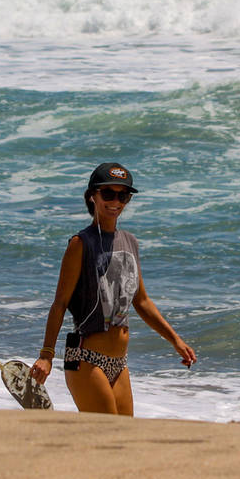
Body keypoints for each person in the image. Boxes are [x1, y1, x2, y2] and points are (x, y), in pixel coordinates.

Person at [30, 162, 197, 415]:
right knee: (106, 432)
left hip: (119, 362)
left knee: (122, 438)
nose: (116, 201)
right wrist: (46, 355)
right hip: (85, 358)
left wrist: (175, 340)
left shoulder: (130, 241)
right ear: (92, 197)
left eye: (123, 195)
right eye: (108, 193)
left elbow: (141, 301)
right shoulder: (80, 243)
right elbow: (60, 303)